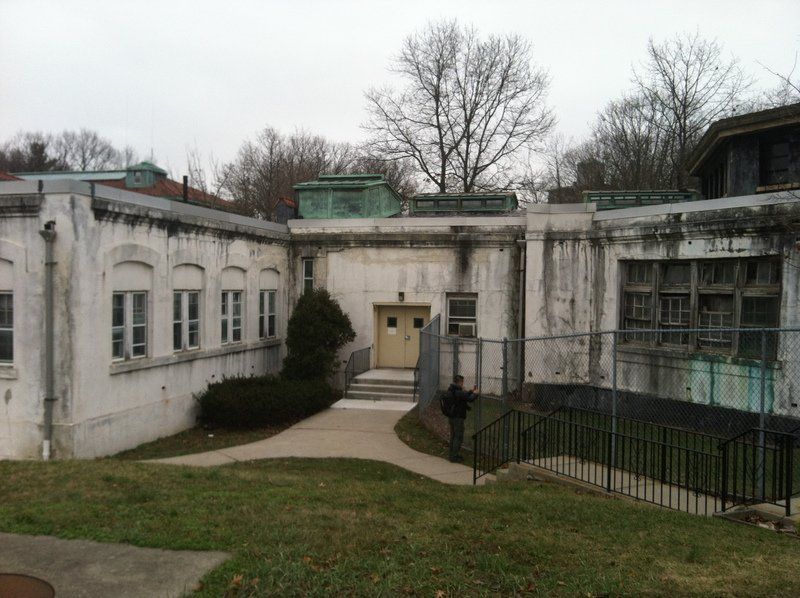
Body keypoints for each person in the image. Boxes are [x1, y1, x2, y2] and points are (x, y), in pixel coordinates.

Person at [446, 374, 479, 463]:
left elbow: (463, 396)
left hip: (451, 417)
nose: (463, 384)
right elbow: (469, 399)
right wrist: (475, 394)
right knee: (458, 436)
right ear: (460, 382)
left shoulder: (451, 389)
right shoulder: (458, 391)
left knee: (453, 436)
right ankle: (454, 456)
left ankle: (452, 455)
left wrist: (470, 391)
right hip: (458, 417)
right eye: (462, 382)